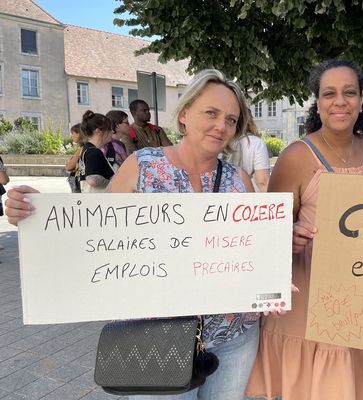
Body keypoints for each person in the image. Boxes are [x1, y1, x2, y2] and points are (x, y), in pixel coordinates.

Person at [4, 69, 259, 400]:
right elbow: (93, 233)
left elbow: (255, 247)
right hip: (155, 337)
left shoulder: (240, 179)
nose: (221, 125)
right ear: (184, 114)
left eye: (230, 119)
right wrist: (35, 213)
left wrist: (284, 241)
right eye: (211, 113)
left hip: (233, 337)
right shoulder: (143, 165)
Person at [246, 59, 363, 400]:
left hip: (362, 295)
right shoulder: (297, 155)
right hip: (310, 299)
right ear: (318, 102)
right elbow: (269, 232)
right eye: (329, 93)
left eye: (349, 92)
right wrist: (289, 233)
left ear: (361, 100)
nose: (339, 101)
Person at [225, 113, 271, 192]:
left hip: (224, 195)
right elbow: (262, 181)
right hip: (250, 197)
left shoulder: (223, 141)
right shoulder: (256, 143)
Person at [78, 111, 115, 193]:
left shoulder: (87, 149)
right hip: (98, 202)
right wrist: (114, 183)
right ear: (98, 131)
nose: (112, 132)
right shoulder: (94, 152)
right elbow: (92, 180)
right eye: (109, 129)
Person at [65, 123, 83, 193]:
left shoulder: (81, 148)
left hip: (79, 185)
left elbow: (69, 167)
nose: (71, 136)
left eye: (72, 133)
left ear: (79, 134)